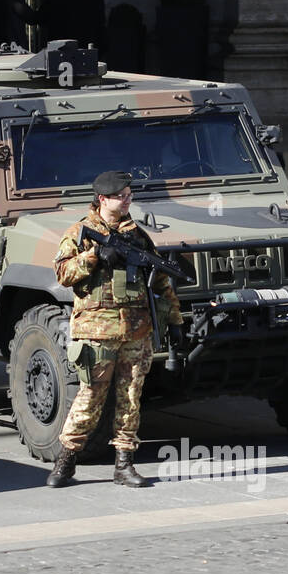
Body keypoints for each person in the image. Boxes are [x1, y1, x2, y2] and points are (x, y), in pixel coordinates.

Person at [47, 170, 184, 488]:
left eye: (129, 194)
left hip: (136, 331)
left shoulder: (137, 236)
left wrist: (175, 320)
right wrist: (94, 256)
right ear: (102, 199)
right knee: (90, 397)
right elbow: (63, 273)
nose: (127, 199)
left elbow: (161, 282)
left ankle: (124, 464)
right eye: (121, 195)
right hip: (97, 331)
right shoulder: (81, 232)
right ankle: (65, 462)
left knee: (131, 398)